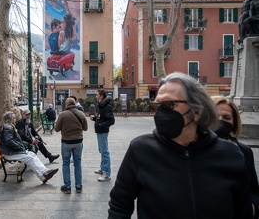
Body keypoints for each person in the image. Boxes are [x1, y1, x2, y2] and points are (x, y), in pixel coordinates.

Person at [108, 72, 252, 218]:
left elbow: (243, 212)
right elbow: (119, 206)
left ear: (196, 111)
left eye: (169, 105)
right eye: (156, 106)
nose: (160, 113)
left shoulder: (231, 155)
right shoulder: (140, 150)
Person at [212, 95, 259, 218]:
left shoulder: (244, 151)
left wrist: (252, 208)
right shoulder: (190, 150)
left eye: (226, 117)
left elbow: (254, 191)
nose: (220, 120)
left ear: (234, 123)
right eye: (215, 116)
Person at [0, 111, 58, 184]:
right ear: (9, 119)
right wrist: (20, 147)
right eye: (13, 118)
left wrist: (21, 146)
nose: (15, 119)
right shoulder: (7, 127)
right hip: (9, 153)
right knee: (30, 158)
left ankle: (45, 171)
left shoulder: (9, 126)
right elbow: (9, 141)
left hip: (12, 151)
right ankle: (43, 176)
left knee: (32, 155)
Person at [54, 98, 88, 194]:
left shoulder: (63, 115)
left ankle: (67, 186)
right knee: (77, 163)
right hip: (78, 142)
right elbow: (85, 128)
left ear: (67, 105)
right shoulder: (81, 114)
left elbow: (57, 129)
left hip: (66, 142)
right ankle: (78, 186)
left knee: (65, 163)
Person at [90, 89, 115, 182]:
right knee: (102, 150)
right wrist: (95, 118)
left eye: (97, 95)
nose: (96, 96)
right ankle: (102, 168)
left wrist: (101, 125)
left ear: (101, 96)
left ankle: (107, 173)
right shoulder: (101, 105)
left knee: (105, 151)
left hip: (102, 130)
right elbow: (101, 117)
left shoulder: (107, 106)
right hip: (100, 130)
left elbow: (111, 120)